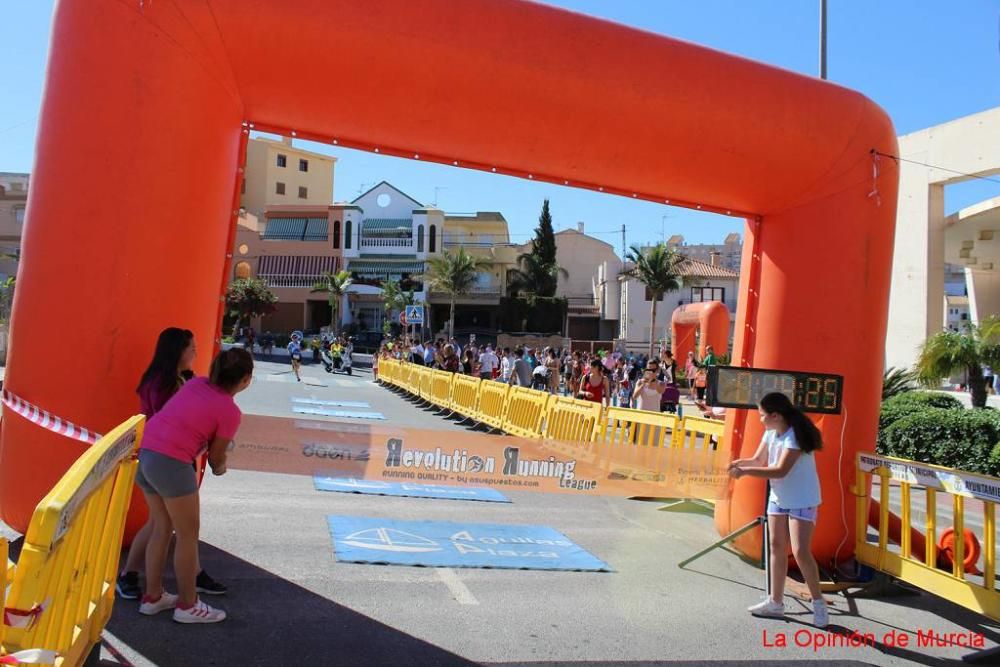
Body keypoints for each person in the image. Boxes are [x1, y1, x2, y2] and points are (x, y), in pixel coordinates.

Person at [135, 348, 254, 624]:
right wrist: (221, 467)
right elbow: (216, 457)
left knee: (161, 527)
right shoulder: (230, 411)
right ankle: (188, 605)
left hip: (147, 454)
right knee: (188, 536)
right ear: (246, 380)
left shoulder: (197, 383)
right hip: (172, 464)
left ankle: (152, 597)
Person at [116, 328, 226, 600]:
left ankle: (135, 578)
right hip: (167, 459)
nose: (196, 353)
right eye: (192, 348)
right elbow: (175, 421)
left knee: (161, 523)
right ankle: (170, 586)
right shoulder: (162, 384)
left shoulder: (179, 379)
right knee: (177, 527)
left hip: (166, 458)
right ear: (178, 351)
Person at [728, 392, 827, 629]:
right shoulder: (771, 432)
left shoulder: (795, 437)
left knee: (801, 551)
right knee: (775, 547)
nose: (759, 418)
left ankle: (819, 603)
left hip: (802, 498)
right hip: (779, 497)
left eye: (762, 415)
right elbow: (758, 460)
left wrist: (745, 472)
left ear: (775, 415)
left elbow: (779, 470)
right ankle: (775, 602)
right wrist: (737, 463)